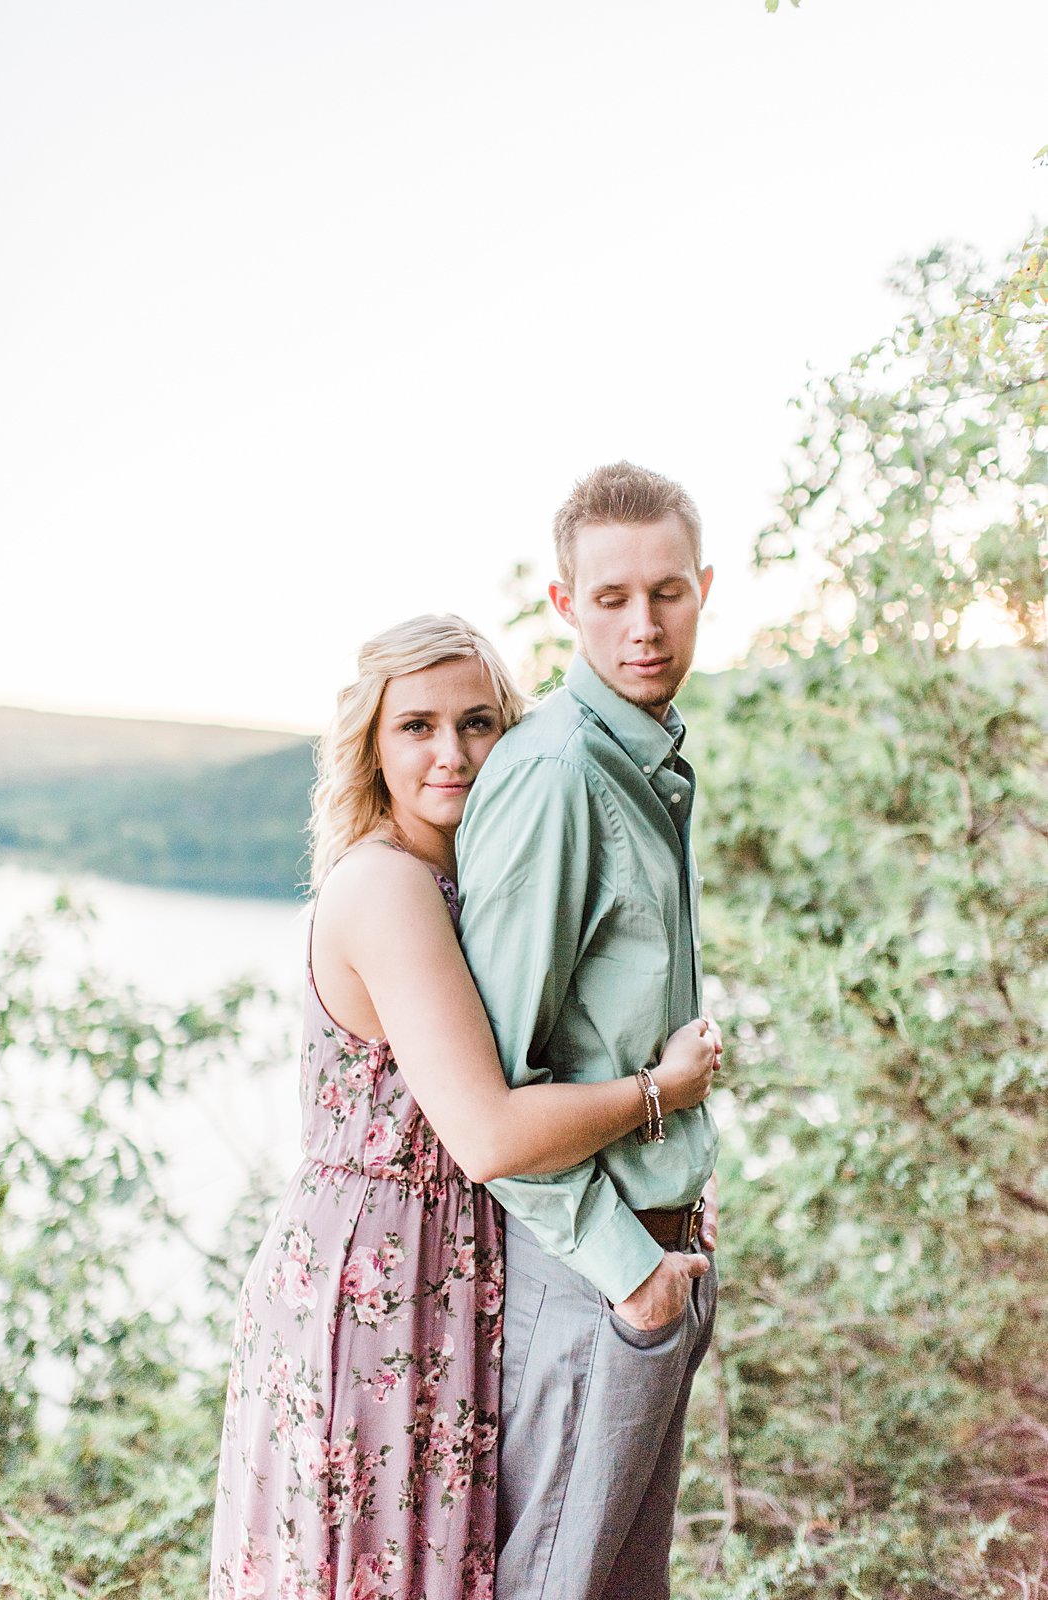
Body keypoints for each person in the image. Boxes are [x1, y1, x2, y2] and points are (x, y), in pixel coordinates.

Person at [209, 613, 720, 1600]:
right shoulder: (389, 886)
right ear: (373, 744)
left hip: (453, 1267)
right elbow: (485, 1132)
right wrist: (660, 1090)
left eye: (477, 722)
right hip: (376, 1285)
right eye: (418, 726)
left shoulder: (464, 875)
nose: (452, 753)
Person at [456, 462, 723, 1600]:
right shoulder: (561, 772)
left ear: (704, 589)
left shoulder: (644, 759)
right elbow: (495, 1106)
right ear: (564, 604)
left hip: (650, 1259)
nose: (644, 625)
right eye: (611, 598)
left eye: (667, 592)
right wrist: (634, 1278)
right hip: (590, 1275)